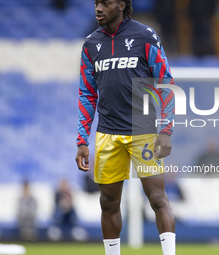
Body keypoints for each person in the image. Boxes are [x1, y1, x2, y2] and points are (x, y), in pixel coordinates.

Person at [75, 1, 176, 255]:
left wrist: (165, 129)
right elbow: (87, 94)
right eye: (96, 3)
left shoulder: (145, 36)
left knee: (157, 198)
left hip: (143, 131)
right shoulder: (90, 45)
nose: (98, 8)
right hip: (107, 134)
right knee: (108, 203)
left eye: (105, 3)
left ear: (121, 5)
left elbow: (165, 81)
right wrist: (82, 140)